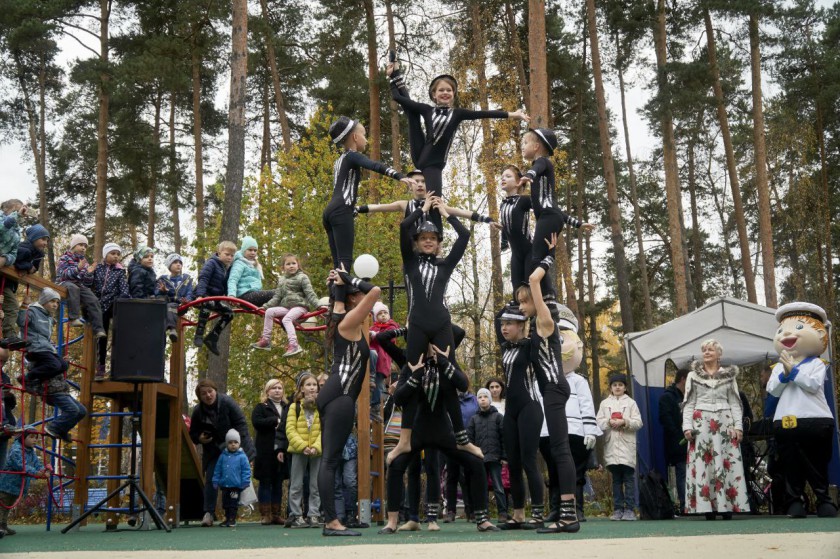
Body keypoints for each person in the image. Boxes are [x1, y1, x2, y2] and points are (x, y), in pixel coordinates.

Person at [389, 195, 481, 464]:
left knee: (448, 375)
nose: (428, 240)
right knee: (411, 374)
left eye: (433, 238)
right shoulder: (410, 263)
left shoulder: (445, 264)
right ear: (417, 243)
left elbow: (464, 236)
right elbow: (405, 227)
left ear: (439, 244)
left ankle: (462, 439)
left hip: (441, 323)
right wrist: (423, 209)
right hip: (416, 323)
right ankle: (405, 440)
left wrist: (446, 213)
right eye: (423, 237)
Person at [381, 345, 499, 534]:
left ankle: (482, 519)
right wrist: (416, 374)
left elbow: (462, 384)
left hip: (443, 432)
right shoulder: (411, 364)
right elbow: (399, 398)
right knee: (395, 464)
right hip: (417, 432)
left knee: (476, 463)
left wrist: (445, 360)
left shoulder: (445, 360)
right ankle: (392, 521)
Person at [386, 57, 529, 199]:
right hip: (421, 154)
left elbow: (484, 113)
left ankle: (396, 73)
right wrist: (391, 77)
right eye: (441, 90)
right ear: (434, 95)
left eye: (449, 90)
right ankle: (396, 72)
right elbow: (398, 98)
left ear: (453, 94)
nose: (445, 93)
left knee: (435, 202)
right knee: (412, 114)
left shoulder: (457, 114)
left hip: (434, 164)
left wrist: (513, 114)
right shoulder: (427, 110)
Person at [516, 244, 579, 533]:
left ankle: (569, 515)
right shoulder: (533, 328)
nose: (520, 307)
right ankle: (565, 511)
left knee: (560, 449)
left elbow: (534, 280)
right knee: (556, 450)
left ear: (534, 302)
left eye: (523, 303)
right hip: (551, 389)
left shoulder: (544, 321)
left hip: (554, 387)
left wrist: (549, 255)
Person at [317, 267, 380, 536]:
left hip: (336, 393)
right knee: (330, 461)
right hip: (341, 394)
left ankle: (332, 520)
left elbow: (340, 297)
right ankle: (331, 521)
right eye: (357, 294)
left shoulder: (340, 315)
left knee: (329, 460)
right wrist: (350, 279)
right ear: (355, 298)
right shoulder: (349, 322)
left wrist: (338, 282)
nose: (360, 297)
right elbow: (375, 291)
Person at [766, 302, 837, 518]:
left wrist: (794, 371)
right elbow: (773, 390)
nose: (786, 334)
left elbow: (813, 384)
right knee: (790, 464)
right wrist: (784, 374)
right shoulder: (779, 365)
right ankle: (794, 502)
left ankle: (823, 500)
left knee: (817, 464)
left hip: (815, 420)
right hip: (786, 421)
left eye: (798, 328)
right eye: (781, 330)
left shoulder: (816, 363)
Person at [323, 115, 416, 272]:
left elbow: (341, 188)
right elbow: (374, 165)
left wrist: (354, 208)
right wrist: (399, 176)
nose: (366, 140)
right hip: (341, 210)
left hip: (329, 211)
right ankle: (341, 296)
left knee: (337, 265)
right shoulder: (352, 155)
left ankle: (335, 295)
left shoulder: (338, 161)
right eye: (364, 135)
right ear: (354, 137)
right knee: (344, 262)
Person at [518, 130, 593, 303]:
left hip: (548, 218)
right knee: (539, 257)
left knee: (536, 258)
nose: (523, 147)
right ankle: (546, 294)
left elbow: (537, 168)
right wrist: (578, 224)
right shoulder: (543, 173)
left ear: (536, 147)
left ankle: (548, 295)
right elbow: (556, 210)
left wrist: (529, 175)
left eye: (525, 143)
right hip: (552, 217)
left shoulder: (543, 162)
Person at [683, 339, 750, 520]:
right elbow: (688, 403)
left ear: (719, 354)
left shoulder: (728, 375)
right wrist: (687, 427)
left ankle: (726, 506)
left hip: (724, 420)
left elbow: (736, 403)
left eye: (710, 349)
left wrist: (738, 427)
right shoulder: (692, 376)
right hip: (701, 422)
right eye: (704, 350)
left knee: (725, 460)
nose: (706, 352)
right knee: (704, 462)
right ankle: (707, 507)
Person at [493, 305, 545, 530]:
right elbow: (497, 321)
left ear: (522, 325)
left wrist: (527, 311)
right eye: (503, 324)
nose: (504, 328)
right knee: (512, 463)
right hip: (511, 411)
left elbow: (540, 324)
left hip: (529, 407)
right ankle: (518, 514)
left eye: (509, 324)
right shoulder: (506, 347)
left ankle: (538, 514)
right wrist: (508, 309)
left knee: (528, 461)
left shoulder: (532, 344)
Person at [19, 288, 86, 444]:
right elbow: (22, 323)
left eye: (57, 302)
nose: (55, 304)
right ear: (44, 301)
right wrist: (23, 307)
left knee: (82, 410)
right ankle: (54, 427)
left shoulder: (48, 323)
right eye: (52, 301)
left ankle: (62, 429)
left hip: (60, 388)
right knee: (73, 409)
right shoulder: (34, 312)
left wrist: (64, 362)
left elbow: (58, 365)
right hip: (51, 389)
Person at [189, 379, 256, 527]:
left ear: (215, 390)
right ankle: (208, 513)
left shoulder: (227, 402)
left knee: (234, 482)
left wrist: (246, 453)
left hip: (233, 448)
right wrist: (199, 438)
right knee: (211, 479)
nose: (208, 395)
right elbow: (193, 433)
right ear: (200, 397)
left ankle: (231, 514)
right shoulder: (198, 411)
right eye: (203, 394)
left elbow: (241, 425)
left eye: (210, 391)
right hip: (212, 450)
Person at [357, 169, 498, 237]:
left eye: (423, 181)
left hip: (435, 251)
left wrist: (487, 220)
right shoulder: (405, 205)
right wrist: (357, 208)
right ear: (409, 185)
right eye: (416, 181)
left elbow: (461, 212)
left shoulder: (436, 204)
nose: (419, 184)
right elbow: (380, 207)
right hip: (413, 251)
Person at [560, 326, 600, 522]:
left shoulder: (579, 381)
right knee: (557, 471)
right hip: (556, 431)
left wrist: (590, 430)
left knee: (577, 472)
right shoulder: (547, 379)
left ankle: (577, 509)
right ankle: (559, 508)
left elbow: (587, 405)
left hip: (577, 432)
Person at [253, 253, 322, 357]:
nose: (291, 266)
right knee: (269, 312)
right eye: (288, 264)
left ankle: (294, 344)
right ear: (283, 267)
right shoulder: (282, 280)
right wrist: (266, 306)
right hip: (286, 307)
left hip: (300, 307)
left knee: (286, 319)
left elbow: (310, 293)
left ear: (298, 265)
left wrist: (319, 306)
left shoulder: (302, 277)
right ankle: (266, 340)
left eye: (293, 263)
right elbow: (277, 297)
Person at [596, 373, 642, 521]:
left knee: (628, 478)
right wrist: (610, 422)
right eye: (614, 385)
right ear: (610, 387)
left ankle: (629, 509)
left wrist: (624, 422)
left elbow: (638, 422)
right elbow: (598, 422)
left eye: (620, 385)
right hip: (611, 446)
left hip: (627, 446)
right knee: (616, 479)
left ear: (625, 387)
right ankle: (617, 509)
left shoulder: (631, 403)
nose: (617, 387)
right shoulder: (604, 404)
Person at [286, 371, 322, 529]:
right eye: (308, 385)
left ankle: (314, 514)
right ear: (301, 388)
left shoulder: (321, 407)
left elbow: (324, 430)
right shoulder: (295, 407)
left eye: (315, 385)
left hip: (316, 450)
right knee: (296, 484)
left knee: (316, 484)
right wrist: (302, 446)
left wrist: (316, 446)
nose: (312, 388)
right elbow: (290, 429)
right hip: (299, 450)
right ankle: (296, 515)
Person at [251, 378, 288, 525]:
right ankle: (265, 515)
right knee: (265, 482)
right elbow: (256, 422)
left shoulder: (287, 407)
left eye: (279, 388)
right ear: (267, 391)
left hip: (282, 449)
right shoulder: (261, 407)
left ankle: (276, 514)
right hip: (265, 450)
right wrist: (274, 421)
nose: (277, 390)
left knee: (278, 482)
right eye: (274, 388)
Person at [92, 242, 130, 379]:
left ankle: (120, 367)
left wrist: (122, 297)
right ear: (105, 254)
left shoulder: (120, 271)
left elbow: (124, 289)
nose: (116, 257)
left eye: (118, 254)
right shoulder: (98, 268)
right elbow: (90, 282)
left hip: (112, 305)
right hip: (98, 305)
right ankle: (100, 368)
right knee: (102, 337)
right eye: (112, 253)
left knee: (118, 334)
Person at [469, 388, 507, 523]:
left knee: (498, 486)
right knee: (481, 487)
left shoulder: (498, 417)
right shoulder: (474, 419)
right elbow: (470, 439)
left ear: (490, 399)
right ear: (477, 400)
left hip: (495, 458)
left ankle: (503, 512)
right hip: (480, 459)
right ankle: (483, 513)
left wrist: (504, 456)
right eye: (480, 397)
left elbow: (504, 438)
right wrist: (473, 456)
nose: (483, 399)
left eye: (485, 396)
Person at [56, 234, 106, 337]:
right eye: (81, 245)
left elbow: (86, 283)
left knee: (93, 299)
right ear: (73, 246)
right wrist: (77, 269)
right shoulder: (65, 258)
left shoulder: (84, 262)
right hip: (63, 282)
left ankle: (99, 329)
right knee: (73, 288)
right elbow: (63, 274)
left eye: (85, 246)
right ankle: (73, 318)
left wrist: (89, 273)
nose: (83, 248)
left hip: (78, 285)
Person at [193, 241, 236, 355]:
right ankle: (199, 334)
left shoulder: (227, 268)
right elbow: (203, 279)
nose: (229, 257)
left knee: (229, 313)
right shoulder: (212, 263)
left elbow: (226, 286)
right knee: (209, 303)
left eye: (232, 255)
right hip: (203, 295)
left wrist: (228, 297)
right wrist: (199, 296)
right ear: (219, 252)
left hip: (215, 299)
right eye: (227, 254)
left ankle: (213, 337)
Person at [0, 429, 45, 536]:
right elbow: (21, 465)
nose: (34, 440)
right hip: (7, 484)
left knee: (8, 506)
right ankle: (0, 526)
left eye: (36, 438)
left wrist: (43, 470)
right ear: (22, 438)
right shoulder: (16, 450)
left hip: (17, 485)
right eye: (31, 437)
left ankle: (3, 525)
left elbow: (37, 464)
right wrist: (36, 473)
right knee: (2, 505)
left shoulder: (30, 451)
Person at [129, 246, 178, 342]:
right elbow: (136, 289)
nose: (150, 258)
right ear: (139, 259)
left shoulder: (150, 272)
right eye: (146, 257)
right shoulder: (138, 271)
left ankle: (170, 328)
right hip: (143, 302)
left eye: (152, 256)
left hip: (151, 299)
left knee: (169, 302)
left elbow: (153, 289)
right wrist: (144, 301)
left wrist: (160, 291)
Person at [498, 165, 533, 294]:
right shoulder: (503, 204)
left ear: (518, 182)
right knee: (516, 288)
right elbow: (504, 224)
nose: (503, 179)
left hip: (530, 251)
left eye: (508, 176)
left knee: (529, 285)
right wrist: (503, 242)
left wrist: (576, 223)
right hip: (516, 254)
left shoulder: (523, 200)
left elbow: (545, 207)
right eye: (502, 177)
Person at [658, 367, 689, 513]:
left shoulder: (689, 397)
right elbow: (665, 419)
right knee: (682, 472)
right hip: (677, 443)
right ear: (683, 379)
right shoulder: (668, 397)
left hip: (693, 441)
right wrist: (679, 436)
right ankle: (685, 506)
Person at [212, 429, 252, 528]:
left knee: (233, 503)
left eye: (235, 442)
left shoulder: (242, 457)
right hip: (225, 485)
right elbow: (218, 469)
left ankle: (232, 519)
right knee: (225, 503)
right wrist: (215, 480)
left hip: (236, 485)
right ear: (226, 444)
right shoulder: (223, 456)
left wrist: (245, 481)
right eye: (230, 442)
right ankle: (227, 518)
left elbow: (246, 470)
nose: (233, 445)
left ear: (239, 443)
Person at [0, 200, 26, 338]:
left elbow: (14, 253)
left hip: (2, 270)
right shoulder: (1, 218)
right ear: (6, 209)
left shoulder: (17, 231)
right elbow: (1, 229)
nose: (20, 214)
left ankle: (9, 335)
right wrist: (16, 216)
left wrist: (5, 259)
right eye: (16, 210)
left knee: (12, 304)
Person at [157, 253, 194, 347]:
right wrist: (163, 291)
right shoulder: (163, 279)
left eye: (180, 263)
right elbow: (157, 293)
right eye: (175, 262)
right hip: (166, 306)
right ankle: (161, 343)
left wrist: (188, 300)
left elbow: (190, 292)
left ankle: (172, 328)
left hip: (181, 305)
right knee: (166, 311)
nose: (178, 264)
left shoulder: (186, 279)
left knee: (171, 307)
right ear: (169, 266)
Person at [369, 302, 400, 409]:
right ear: (376, 317)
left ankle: (376, 405)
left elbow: (389, 337)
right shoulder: (373, 328)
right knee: (371, 353)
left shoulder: (392, 327)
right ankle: (371, 376)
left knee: (378, 381)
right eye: (380, 314)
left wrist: (374, 335)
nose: (383, 315)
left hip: (382, 358)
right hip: (373, 356)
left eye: (385, 313)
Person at [227, 236, 274, 307]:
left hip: (253, 295)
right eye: (250, 250)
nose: (253, 253)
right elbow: (233, 280)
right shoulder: (239, 263)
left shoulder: (255, 264)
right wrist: (231, 295)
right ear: (243, 250)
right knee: (277, 293)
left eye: (255, 250)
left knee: (280, 297)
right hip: (244, 296)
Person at [0, 348, 18, 469]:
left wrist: (9, 396)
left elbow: (10, 406)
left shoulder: (4, 377)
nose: (1, 364)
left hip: (3, 429)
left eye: (3, 362)